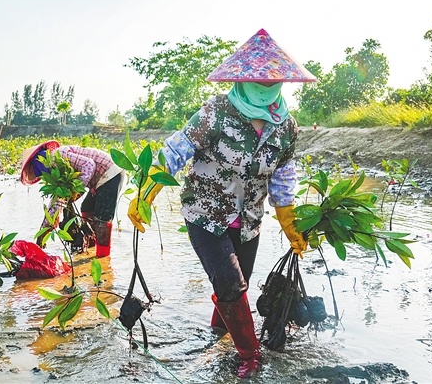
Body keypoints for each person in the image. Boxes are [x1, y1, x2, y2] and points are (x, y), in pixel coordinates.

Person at [128, 29, 317, 378]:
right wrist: (145, 195)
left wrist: (290, 221)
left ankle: (220, 333)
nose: (263, 84)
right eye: (256, 79)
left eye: (271, 79)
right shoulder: (216, 111)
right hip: (205, 216)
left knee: (235, 284)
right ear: (241, 78)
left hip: (249, 222)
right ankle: (250, 356)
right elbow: (175, 152)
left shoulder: (285, 127)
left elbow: (283, 175)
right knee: (232, 284)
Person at [20, 140, 124, 258]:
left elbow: (89, 165)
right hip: (100, 180)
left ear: (37, 164)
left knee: (102, 220)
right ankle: (91, 244)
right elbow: (57, 203)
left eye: (32, 171)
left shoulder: (57, 156)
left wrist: (75, 190)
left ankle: (103, 258)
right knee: (87, 208)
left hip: (110, 172)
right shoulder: (56, 172)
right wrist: (43, 232)